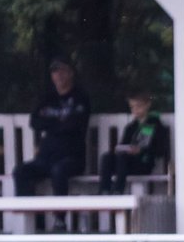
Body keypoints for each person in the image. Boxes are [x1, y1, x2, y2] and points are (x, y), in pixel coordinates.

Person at [14, 57, 92, 204]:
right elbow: (35, 122)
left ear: (71, 73)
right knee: (20, 171)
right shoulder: (47, 97)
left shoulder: (81, 97)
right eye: (55, 71)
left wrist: (50, 122)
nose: (59, 75)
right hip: (46, 158)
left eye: (62, 71)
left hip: (71, 158)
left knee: (58, 170)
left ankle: (60, 220)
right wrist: (58, 122)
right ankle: (33, 220)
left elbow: (75, 124)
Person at [98, 89, 168, 194]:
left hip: (143, 163)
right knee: (107, 157)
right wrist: (122, 149)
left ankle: (118, 190)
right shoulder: (131, 127)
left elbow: (160, 150)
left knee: (122, 158)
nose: (135, 109)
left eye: (138, 106)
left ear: (147, 105)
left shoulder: (155, 125)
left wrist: (142, 151)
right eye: (132, 107)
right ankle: (104, 190)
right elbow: (123, 145)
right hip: (126, 163)